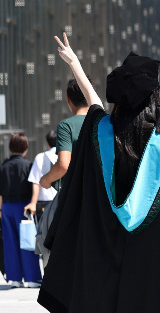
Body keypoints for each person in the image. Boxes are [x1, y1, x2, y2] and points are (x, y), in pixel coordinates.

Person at [38, 34, 160, 312]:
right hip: (154, 269)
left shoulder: (100, 134)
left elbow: (94, 107)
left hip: (103, 265)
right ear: (155, 96)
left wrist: (75, 64)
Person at [0, 133, 42, 288]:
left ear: (10, 147)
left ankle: (15, 278)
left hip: (6, 207)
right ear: (26, 147)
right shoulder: (28, 165)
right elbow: (33, 185)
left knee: (10, 243)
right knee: (28, 241)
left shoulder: (3, 166)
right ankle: (31, 278)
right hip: (24, 208)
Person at [39, 78, 89, 190]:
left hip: (77, 196)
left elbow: (63, 165)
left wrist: (46, 180)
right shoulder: (105, 122)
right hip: (105, 196)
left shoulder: (66, 126)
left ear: (68, 98)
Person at [24, 130, 58, 223]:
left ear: (47, 143)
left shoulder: (40, 157)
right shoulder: (68, 157)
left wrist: (33, 203)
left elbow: (36, 182)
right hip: (63, 201)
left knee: (44, 234)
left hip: (44, 204)